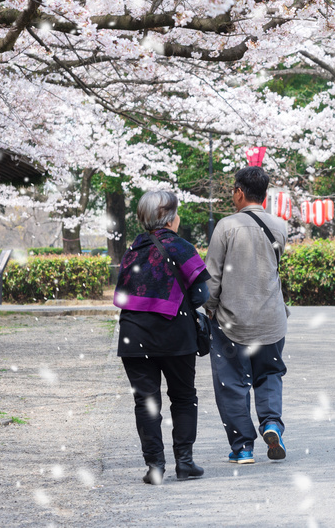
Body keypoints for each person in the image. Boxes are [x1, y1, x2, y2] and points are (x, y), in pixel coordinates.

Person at [113, 190, 210, 485]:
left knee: (146, 402)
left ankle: (155, 467)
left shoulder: (132, 251)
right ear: (170, 218)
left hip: (134, 335)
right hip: (175, 334)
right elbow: (201, 294)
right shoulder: (182, 248)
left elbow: (124, 294)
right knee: (182, 397)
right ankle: (185, 462)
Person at [204, 166, 289, 464]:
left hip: (232, 320)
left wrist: (210, 308)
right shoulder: (279, 226)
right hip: (271, 319)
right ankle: (271, 424)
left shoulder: (226, 227)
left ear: (240, 192)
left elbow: (212, 275)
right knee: (269, 374)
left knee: (232, 382)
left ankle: (243, 448)